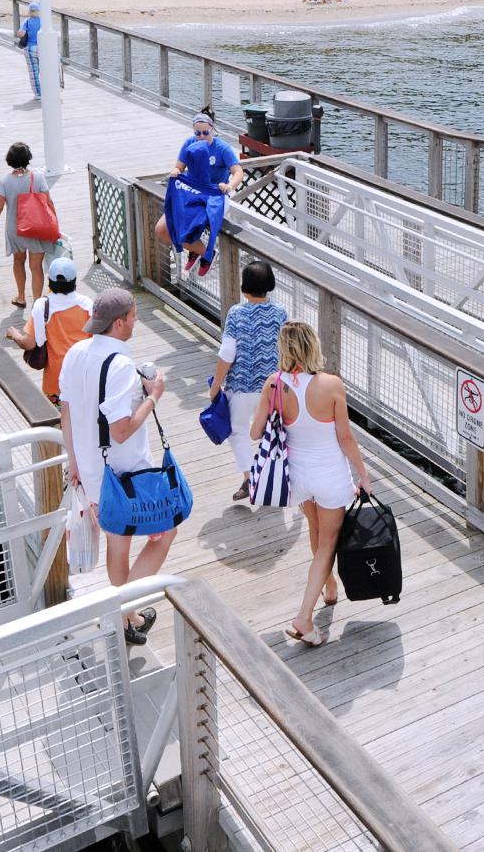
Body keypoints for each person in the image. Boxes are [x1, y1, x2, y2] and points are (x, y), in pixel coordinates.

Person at [56, 289, 175, 644]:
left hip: (93, 472)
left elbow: (66, 412)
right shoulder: (121, 365)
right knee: (167, 531)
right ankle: (122, 609)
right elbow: (121, 430)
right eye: (135, 315)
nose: (137, 321)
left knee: (117, 543)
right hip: (129, 476)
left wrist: (73, 461)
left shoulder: (76, 353)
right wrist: (154, 395)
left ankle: (128, 617)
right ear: (120, 322)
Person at [256, 321, 372, 646]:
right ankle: (304, 618)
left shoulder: (275, 384)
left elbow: (259, 430)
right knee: (327, 543)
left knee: (316, 530)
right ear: (313, 347)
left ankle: (330, 585)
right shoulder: (331, 384)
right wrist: (363, 474)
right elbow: (345, 437)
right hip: (330, 476)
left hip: (298, 477)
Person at [208, 258, 288, 501]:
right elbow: (287, 349)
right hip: (272, 387)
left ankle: (248, 478)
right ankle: (275, 475)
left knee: (238, 430)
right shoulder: (280, 313)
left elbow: (227, 355)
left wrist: (215, 386)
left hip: (241, 388)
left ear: (244, 287)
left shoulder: (236, 313)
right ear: (270, 285)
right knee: (273, 431)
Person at [154, 113, 242, 278]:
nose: (201, 136)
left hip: (216, 195)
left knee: (194, 221)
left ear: (212, 130)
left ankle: (199, 251)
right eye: (198, 133)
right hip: (192, 192)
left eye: (205, 133)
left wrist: (229, 186)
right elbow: (179, 166)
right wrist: (176, 171)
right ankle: (201, 250)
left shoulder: (222, 148)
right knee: (162, 229)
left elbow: (238, 171)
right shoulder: (190, 143)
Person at [6, 255, 94, 402]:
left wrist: (14, 334)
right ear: (74, 281)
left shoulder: (43, 305)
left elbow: (30, 343)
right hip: (84, 376)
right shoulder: (87, 304)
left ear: (50, 283)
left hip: (56, 380)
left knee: (59, 422)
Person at [0, 141, 57, 308]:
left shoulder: (4, 181)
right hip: (36, 228)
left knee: (18, 261)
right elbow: (49, 202)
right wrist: (54, 227)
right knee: (36, 266)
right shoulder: (38, 177)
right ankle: (37, 304)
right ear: (28, 159)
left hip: (15, 229)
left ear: (10, 160)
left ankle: (20, 296)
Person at [17, 1, 44, 97]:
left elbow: (20, 33)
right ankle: (49, 90)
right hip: (43, 48)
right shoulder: (43, 21)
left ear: (29, 11)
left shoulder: (27, 21)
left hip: (30, 48)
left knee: (34, 72)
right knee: (45, 70)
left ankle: (38, 93)